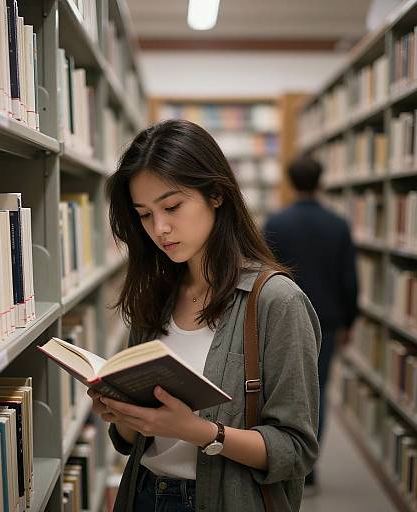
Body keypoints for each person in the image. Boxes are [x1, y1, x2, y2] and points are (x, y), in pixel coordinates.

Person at [88, 119, 321, 512]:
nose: (160, 228)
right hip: (143, 494)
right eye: (144, 215)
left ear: (216, 194)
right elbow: (127, 441)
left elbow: (295, 450)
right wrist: (125, 414)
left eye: (172, 206)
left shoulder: (276, 302)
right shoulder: (155, 297)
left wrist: (197, 432)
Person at [264, 155, 358, 492]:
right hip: (329, 319)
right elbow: (349, 279)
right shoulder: (339, 224)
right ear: (320, 182)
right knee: (317, 392)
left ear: (290, 182)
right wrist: (349, 321)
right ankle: (310, 472)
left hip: (281, 320)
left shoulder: (276, 223)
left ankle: (287, 465)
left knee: (283, 393)